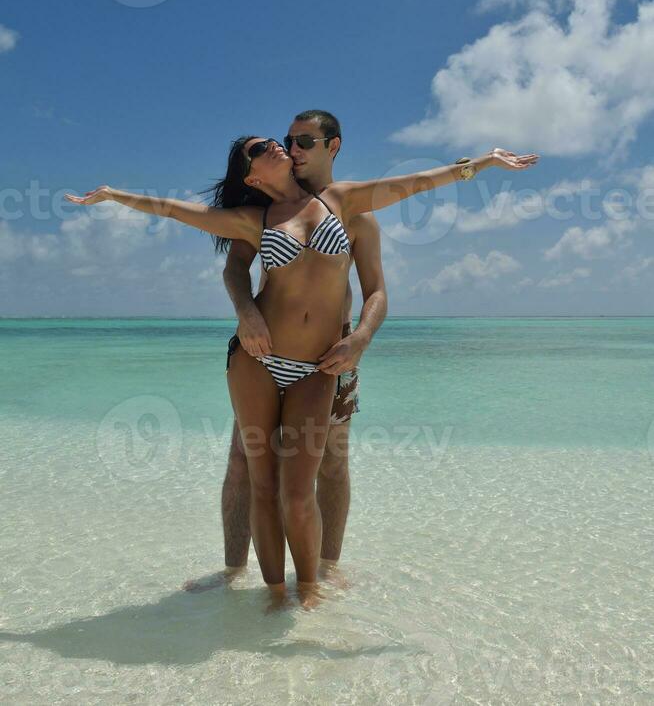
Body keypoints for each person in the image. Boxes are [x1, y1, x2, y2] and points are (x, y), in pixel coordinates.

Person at [64, 141, 538, 606]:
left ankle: (309, 589)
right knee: (261, 483)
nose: (273, 145)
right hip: (257, 360)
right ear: (251, 178)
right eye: (258, 149)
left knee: (297, 491)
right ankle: (272, 596)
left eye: (274, 142)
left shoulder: (341, 200)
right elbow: (174, 211)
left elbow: (411, 185)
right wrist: (115, 194)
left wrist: (482, 163)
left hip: (317, 367)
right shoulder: (253, 221)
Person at [183, 110, 387, 594]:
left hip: (333, 357)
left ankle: (325, 568)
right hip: (266, 352)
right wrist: (245, 314)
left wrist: (361, 338)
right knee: (244, 462)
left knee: (332, 462)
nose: (292, 148)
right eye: (287, 140)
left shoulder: (353, 208)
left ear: (332, 147)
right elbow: (235, 269)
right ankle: (234, 571)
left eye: (304, 141)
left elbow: (376, 290)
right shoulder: (269, 207)